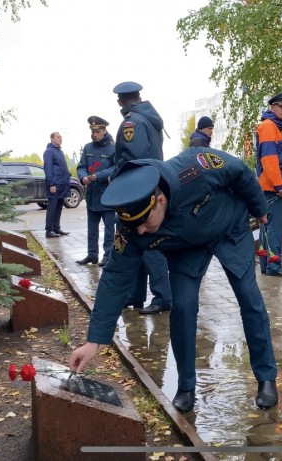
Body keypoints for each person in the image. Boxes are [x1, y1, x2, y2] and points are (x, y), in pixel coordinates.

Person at [68, 147, 279, 413]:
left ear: (160, 201)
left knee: (249, 299)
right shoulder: (132, 226)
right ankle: (186, 386)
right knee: (183, 306)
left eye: (145, 223)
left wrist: (260, 209)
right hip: (185, 248)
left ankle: (266, 377)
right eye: (135, 227)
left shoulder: (196, 167)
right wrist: (94, 340)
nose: (141, 232)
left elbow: (239, 171)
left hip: (228, 229)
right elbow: (115, 278)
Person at [111, 81, 172, 315]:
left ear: (120, 101)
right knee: (135, 240)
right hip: (149, 186)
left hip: (138, 190)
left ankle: (162, 296)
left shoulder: (132, 122)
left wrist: (114, 177)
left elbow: (131, 158)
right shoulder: (148, 118)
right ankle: (135, 295)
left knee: (148, 243)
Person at [256, 92, 282, 277]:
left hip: (267, 186)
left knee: (266, 226)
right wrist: (279, 185)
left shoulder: (271, 127)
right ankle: (274, 266)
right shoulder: (269, 126)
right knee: (274, 228)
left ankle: (266, 265)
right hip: (271, 187)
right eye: (281, 106)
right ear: (272, 107)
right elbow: (269, 160)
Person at [76, 116, 116, 267]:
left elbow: (116, 167)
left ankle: (108, 255)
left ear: (104, 131)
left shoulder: (113, 148)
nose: (95, 134)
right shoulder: (88, 148)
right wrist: (83, 177)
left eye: (98, 131)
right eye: (93, 132)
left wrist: (99, 176)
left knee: (109, 229)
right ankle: (92, 255)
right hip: (92, 195)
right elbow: (81, 167)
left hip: (107, 195)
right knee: (92, 228)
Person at [42, 132, 71, 238]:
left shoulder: (60, 152)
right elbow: (48, 169)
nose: (60, 139)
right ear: (52, 139)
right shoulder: (49, 151)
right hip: (54, 185)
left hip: (62, 185)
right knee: (52, 208)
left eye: (61, 137)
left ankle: (56, 228)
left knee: (59, 207)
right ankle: (49, 230)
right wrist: (51, 184)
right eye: (58, 137)